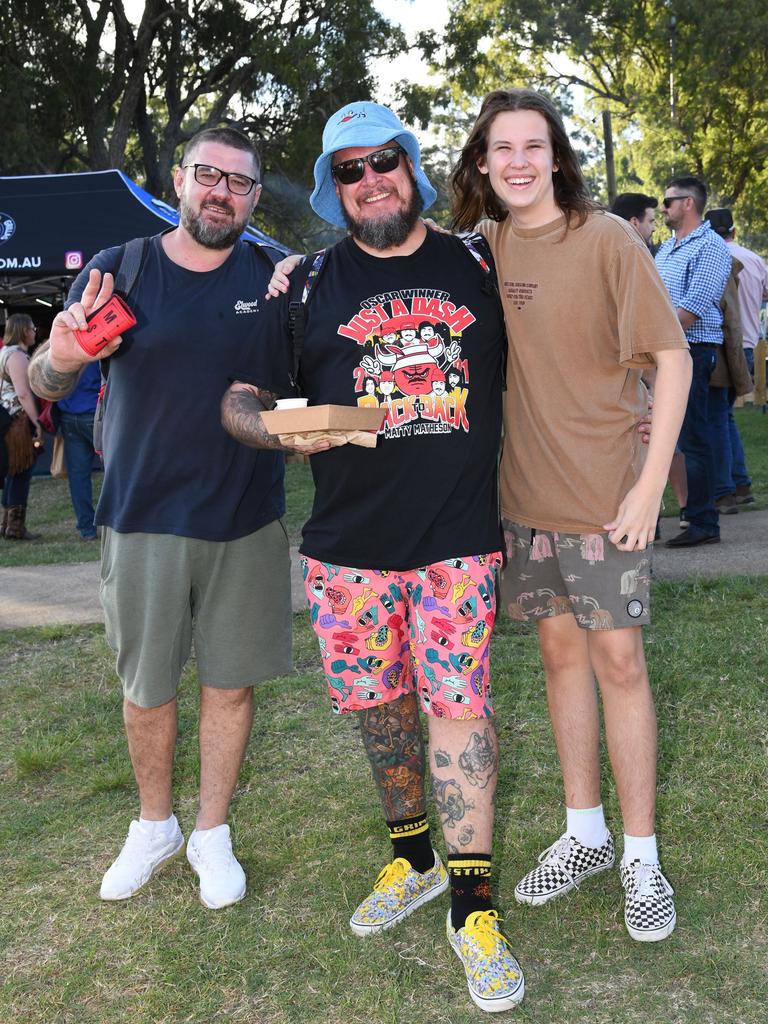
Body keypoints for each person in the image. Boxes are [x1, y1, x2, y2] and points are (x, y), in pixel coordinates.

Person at [222, 101, 525, 1013]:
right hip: (348, 554)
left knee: (457, 710)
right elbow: (241, 404)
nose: (370, 181)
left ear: (412, 167)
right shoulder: (304, 284)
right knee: (380, 712)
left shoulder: (481, 259)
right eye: (348, 170)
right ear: (332, 188)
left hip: (458, 545)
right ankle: (414, 860)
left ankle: (472, 908)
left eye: (383, 161)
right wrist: (307, 429)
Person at [28, 126, 292, 910]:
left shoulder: (274, 279)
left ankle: (211, 832)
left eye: (240, 183)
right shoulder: (122, 269)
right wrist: (68, 353)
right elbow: (46, 375)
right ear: (180, 179)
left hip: (245, 517)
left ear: (251, 197)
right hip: (141, 514)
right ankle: (154, 826)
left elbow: (288, 391)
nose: (222, 192)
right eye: (209, 175)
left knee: (231, 683)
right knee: (147, 687)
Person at [451, 88, 691, 942]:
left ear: (557, 156)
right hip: (524, 499)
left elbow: (672, 358)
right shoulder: (481, 248)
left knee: (618, 663)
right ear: (480, 163)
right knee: (559, 659)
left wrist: (648, 483)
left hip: (604, 499)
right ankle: (582, 831)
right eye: (500, 148)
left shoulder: (609, 239)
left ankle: (640, 856)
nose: (517, 161)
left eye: (533, 145)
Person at [654, 176, 732, 547]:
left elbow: (693, 308)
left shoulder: (712, 246)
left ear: (688, 203)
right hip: (668, 350)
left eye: (668, 201)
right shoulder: (667, 249)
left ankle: (704, 522)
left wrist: (656, 336)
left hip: (691, 351)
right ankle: (695, 516)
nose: (663, 207)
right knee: (677, 438)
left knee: (693, 438)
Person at [612, 192, 688, 524]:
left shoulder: (643, 256)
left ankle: (683, 510)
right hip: (647, 367)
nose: (655, 226)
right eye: (651, 219)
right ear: (633, 223)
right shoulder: (624, 254)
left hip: (665, 363)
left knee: (677, 438)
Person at [705, 208, 766, 508]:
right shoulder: (754, 259)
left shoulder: (710, 258)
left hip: (720, 343)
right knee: (723, 416)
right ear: (734, 230)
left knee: (715, 417)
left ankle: (726, 489)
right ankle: (740, 483)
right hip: (747, 344)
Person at [1, 314, 43, 540]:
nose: (35, 331)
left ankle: (7, 524)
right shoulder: (16, 356)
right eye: (32, 327)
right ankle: (15, 527)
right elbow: (24, 393)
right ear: (24, 331)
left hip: (7, 420)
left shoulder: (3, 353)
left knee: (12, 472)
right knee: (20, 471)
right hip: (17, 421)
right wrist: (36, 422)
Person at [57, 360, 101, 541]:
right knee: (116, 470)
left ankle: (86, 528)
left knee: (78, 476)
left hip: (69, 414)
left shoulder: (66, 345)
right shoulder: (98, 346)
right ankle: (116, 522)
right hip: (94, 413)